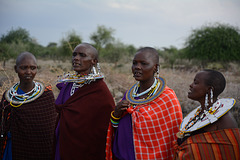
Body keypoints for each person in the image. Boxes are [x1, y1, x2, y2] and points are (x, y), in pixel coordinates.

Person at [105, 47, 183, 160]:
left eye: (144, 63)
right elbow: (116, 127)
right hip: (122, 155)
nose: (137, 67)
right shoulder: (129, 94)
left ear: (155, 67)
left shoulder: (167, 97)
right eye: (134, 63)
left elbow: (172, 135)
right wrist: (116, 115)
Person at [54, 43, 114, 160]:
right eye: (74, 55)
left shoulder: (99, 90)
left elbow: (104, 126)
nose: (76, 58)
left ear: (94, 61)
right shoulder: (68, 84)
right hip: (62, 143)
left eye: (82, 55)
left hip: (86, 148)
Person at [0, 52, 57, 160]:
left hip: (40, 150)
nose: (28, 72)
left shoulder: (46, 96)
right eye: (23, 68)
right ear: (16, 69)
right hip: (12, 149)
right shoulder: (8, 97)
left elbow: (49, 131)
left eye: (33, 68)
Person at [174, 69, 240, 160]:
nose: (191, 85)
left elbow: (231, 153)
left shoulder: (224, 121)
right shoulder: (198, 114)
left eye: (196, 83)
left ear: (209, 89)